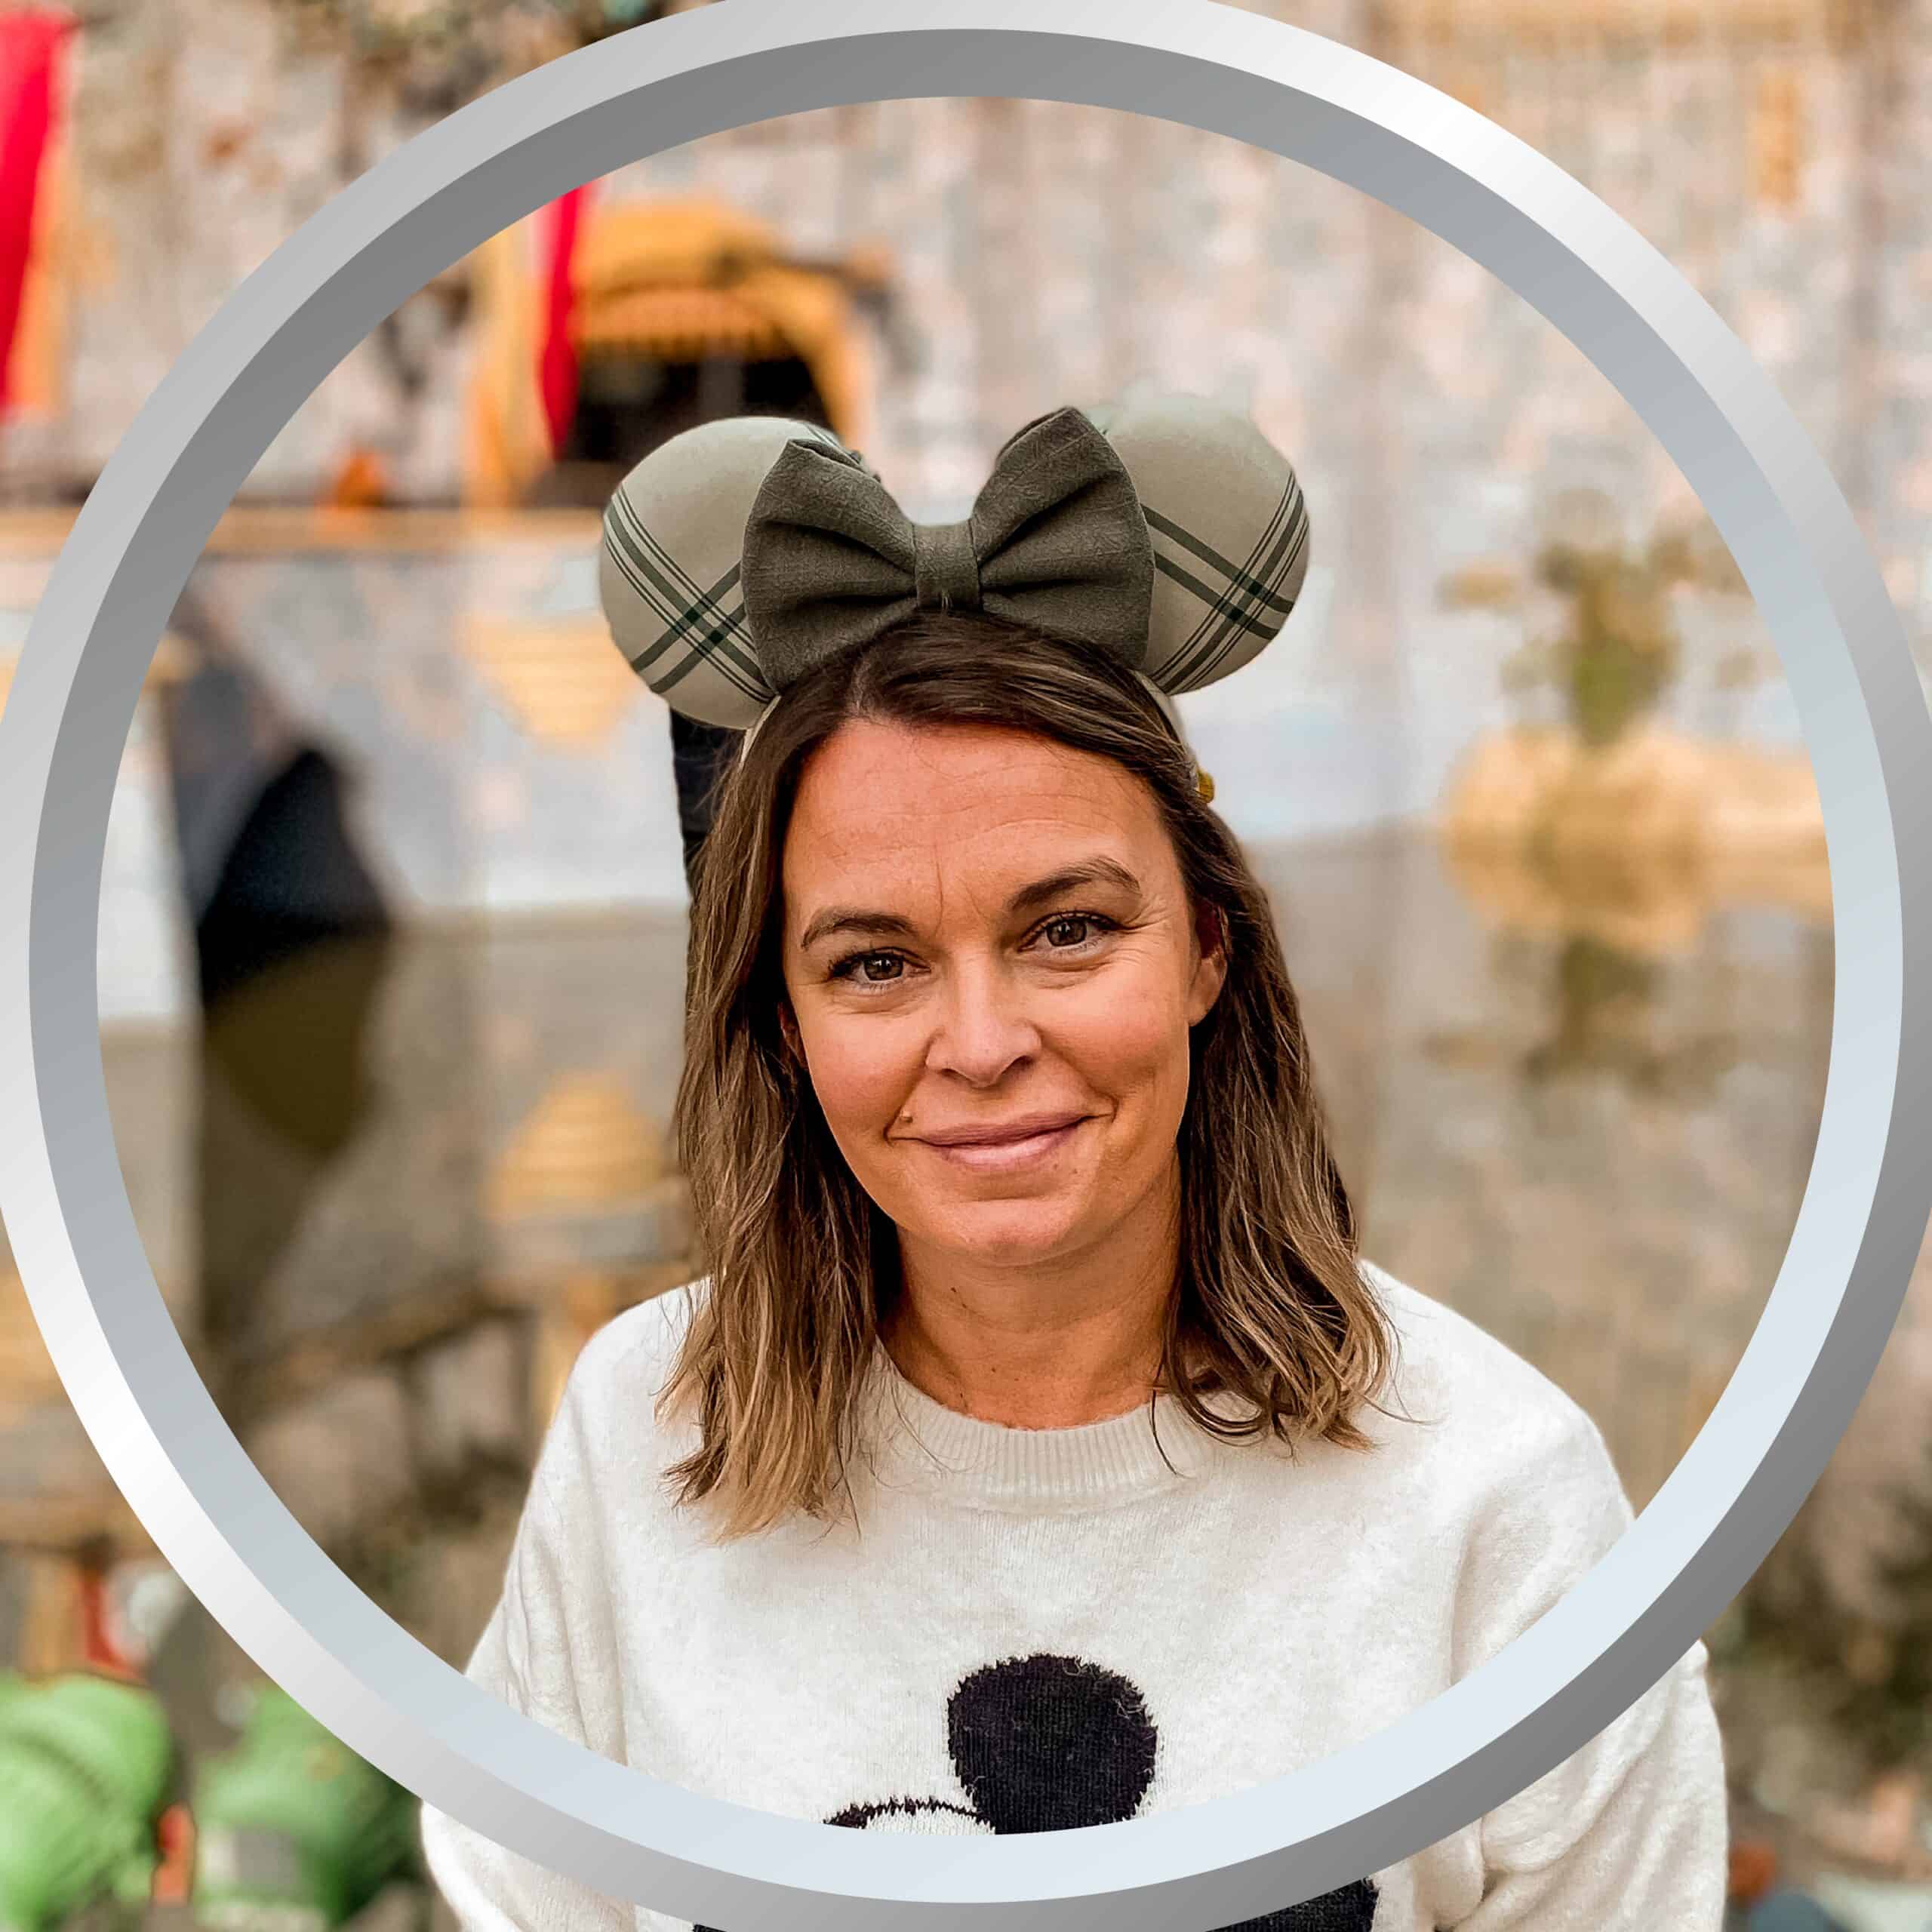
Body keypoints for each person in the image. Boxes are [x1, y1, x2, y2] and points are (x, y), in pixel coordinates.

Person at [421, 395, 1728, 1929]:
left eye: (1066, 930)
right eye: (871, 962)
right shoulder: (641, 1433)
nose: (978, 1041)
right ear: (778, 1023)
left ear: (1206, 951)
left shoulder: (1494, 1500)